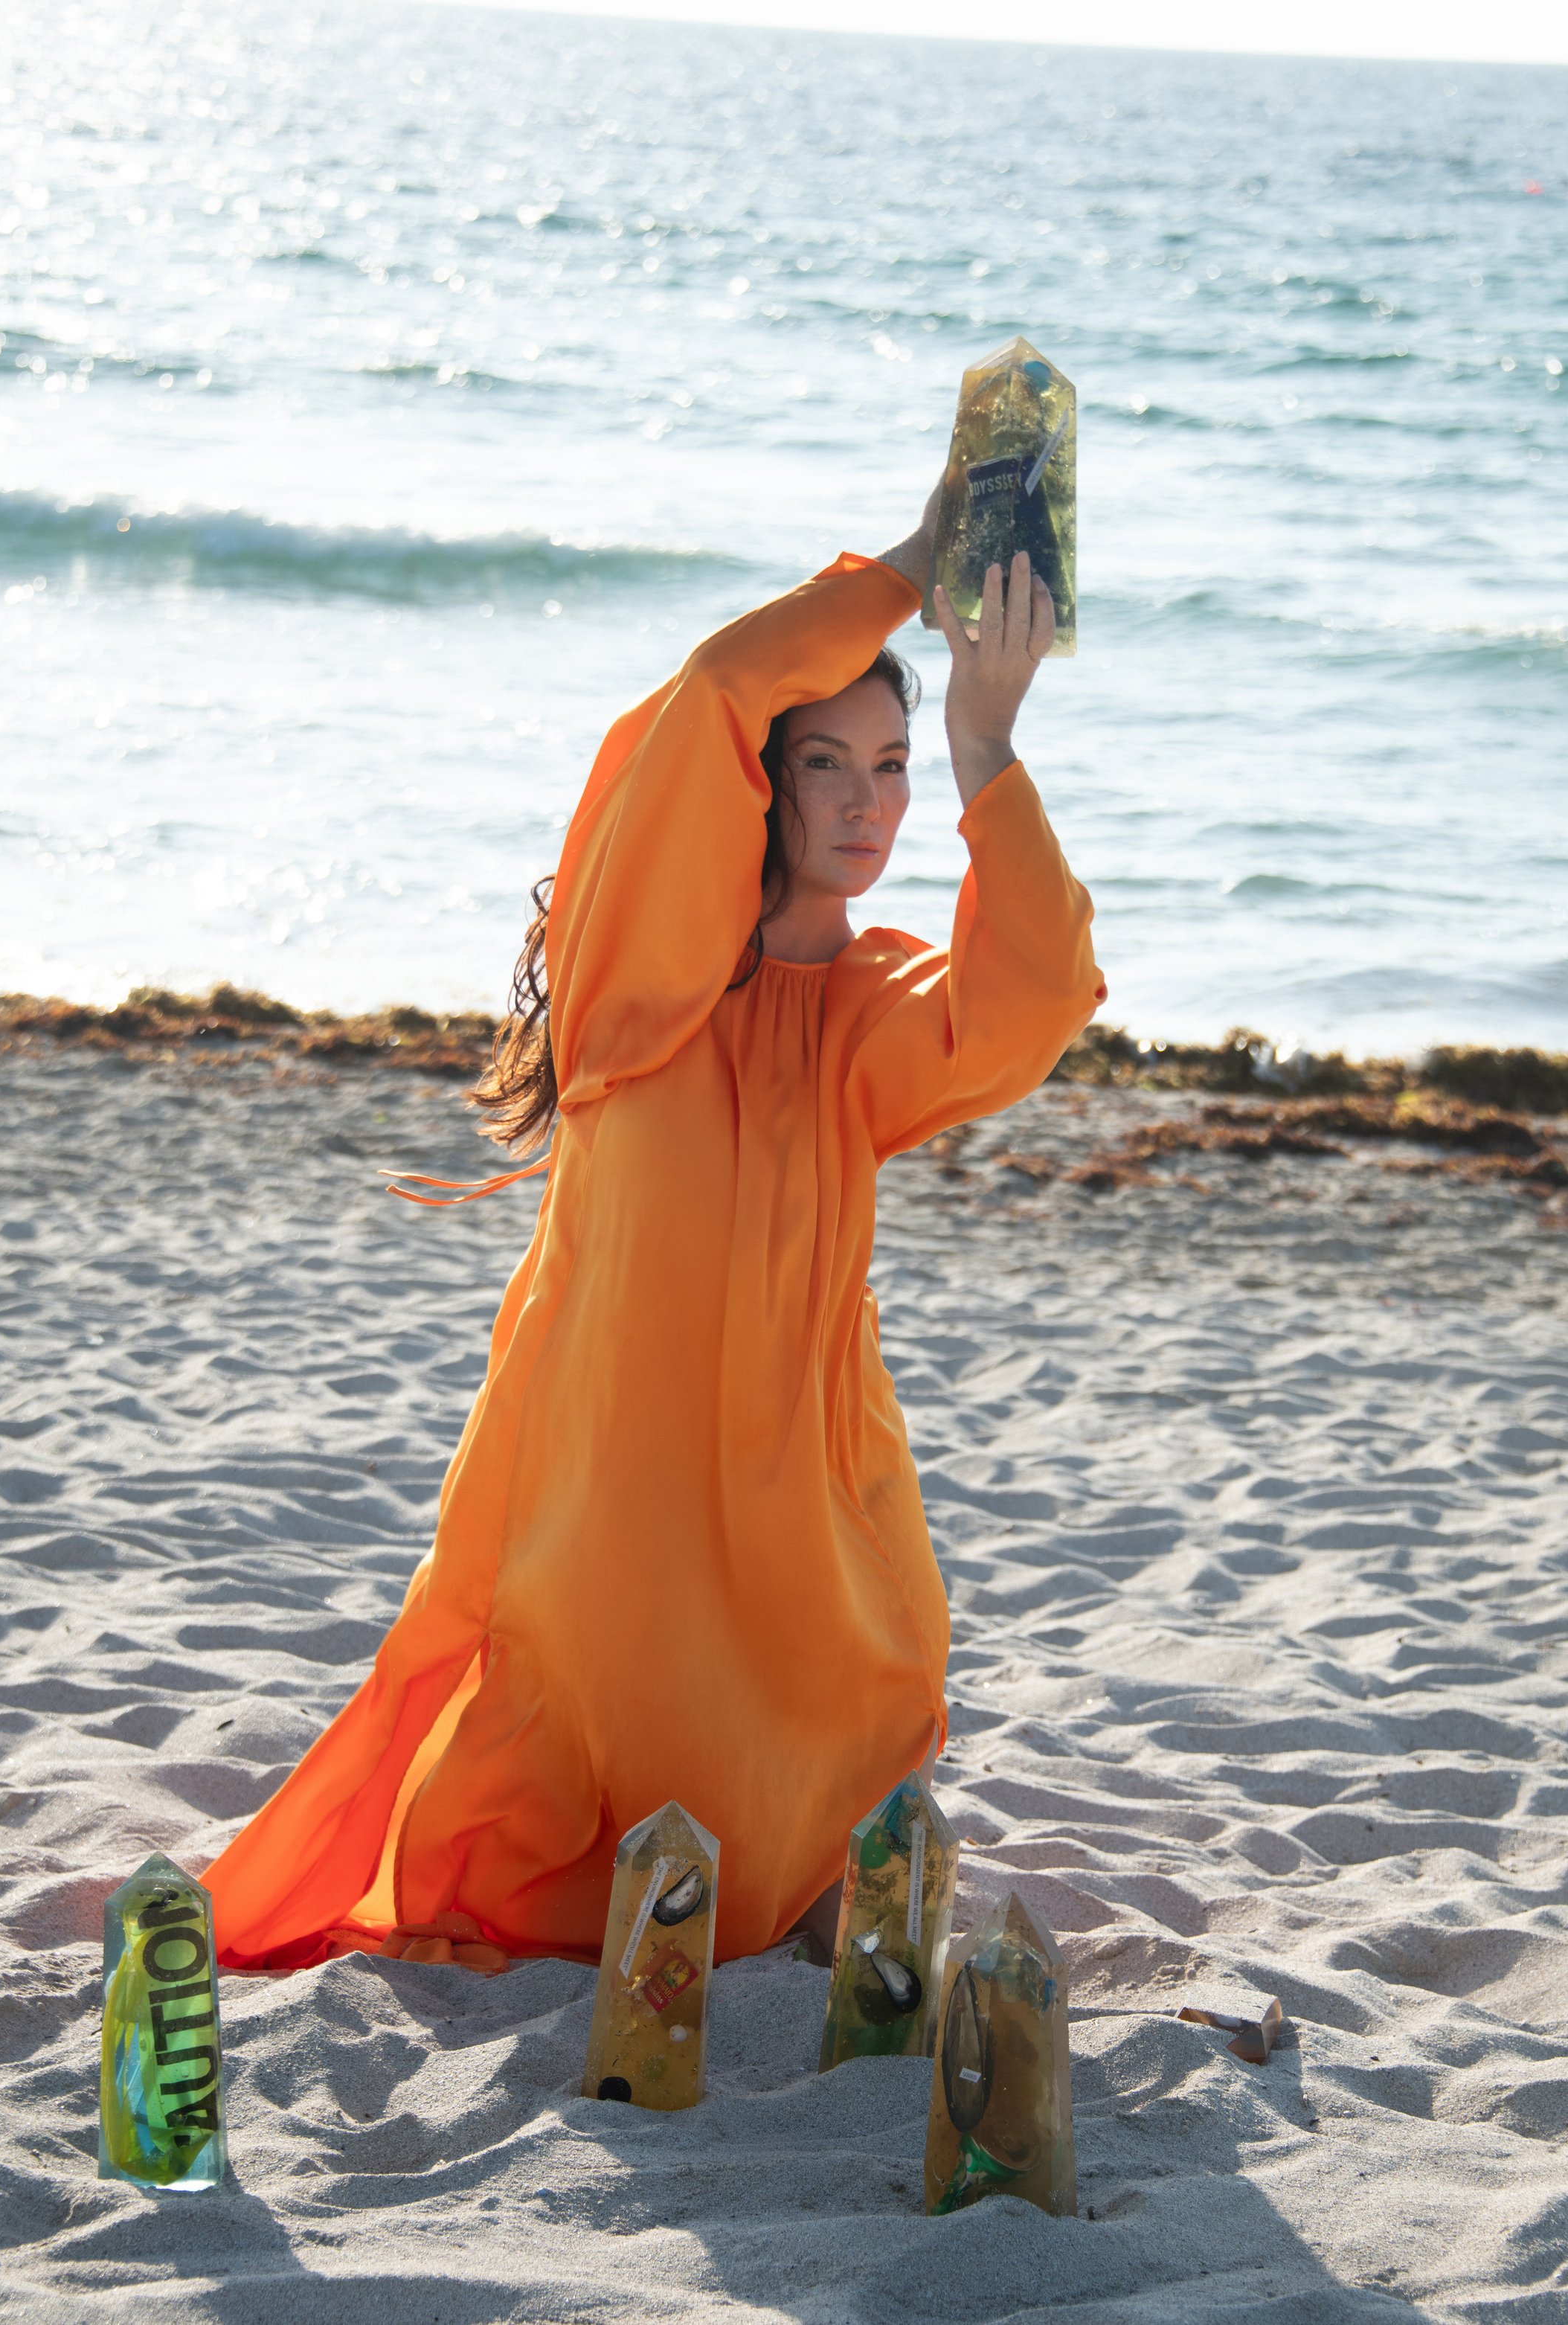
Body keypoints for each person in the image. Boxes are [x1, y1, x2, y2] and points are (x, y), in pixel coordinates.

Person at [202, 478, 1105, 1973]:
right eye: (826, 765)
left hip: (807, 1498)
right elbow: (706, 692)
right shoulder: (634, 989)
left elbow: (1029, 1004)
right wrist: (905, 563)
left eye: (887, 768)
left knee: (839, 1754)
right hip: (618, 1506)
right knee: (607, 1801)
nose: (868, 804)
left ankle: (806, 1879)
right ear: (755, 785)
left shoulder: (868, 1013)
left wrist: (982, 748)